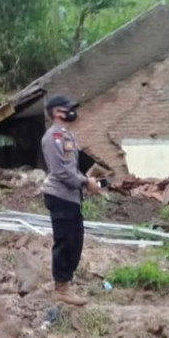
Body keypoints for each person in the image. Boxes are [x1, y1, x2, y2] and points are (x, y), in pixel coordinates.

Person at [41, 94, 101, 307]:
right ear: (57, 112)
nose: (73, 111)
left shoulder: (67, 135)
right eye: (68, 108)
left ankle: (65, 284)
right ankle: (61, 289)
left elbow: (72, 168)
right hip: (60, 194)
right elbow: (62, 172)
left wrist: (87, 181)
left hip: (71, 196)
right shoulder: (54, 136)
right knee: (66, 241)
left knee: (75, 240)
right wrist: (86, 183)